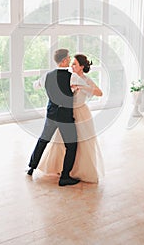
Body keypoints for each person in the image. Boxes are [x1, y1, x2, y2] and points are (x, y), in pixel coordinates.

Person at [38, 54, 105, 183]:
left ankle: (79, 171)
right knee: (62, 143)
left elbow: (99, 92)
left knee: (82, 144)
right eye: (72, 63)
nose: (72, 66)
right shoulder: (68, 77)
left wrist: (82, 87)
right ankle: (62, 169)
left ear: (82, 67)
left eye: (75, 64)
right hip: (66, 113)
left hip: (82, 114)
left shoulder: (85, 80)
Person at [27, 49, 80, 187]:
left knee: (43, 140)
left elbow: (35, 86)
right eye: (68, 58)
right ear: (63, 61)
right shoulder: (72, 76)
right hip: (65, 117)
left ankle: (31, 167)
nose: (69, 60)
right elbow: (78, 88)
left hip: (51, 114)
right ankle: (65, 177)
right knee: (72, 145)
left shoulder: (47, 75)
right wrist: (74, 90)